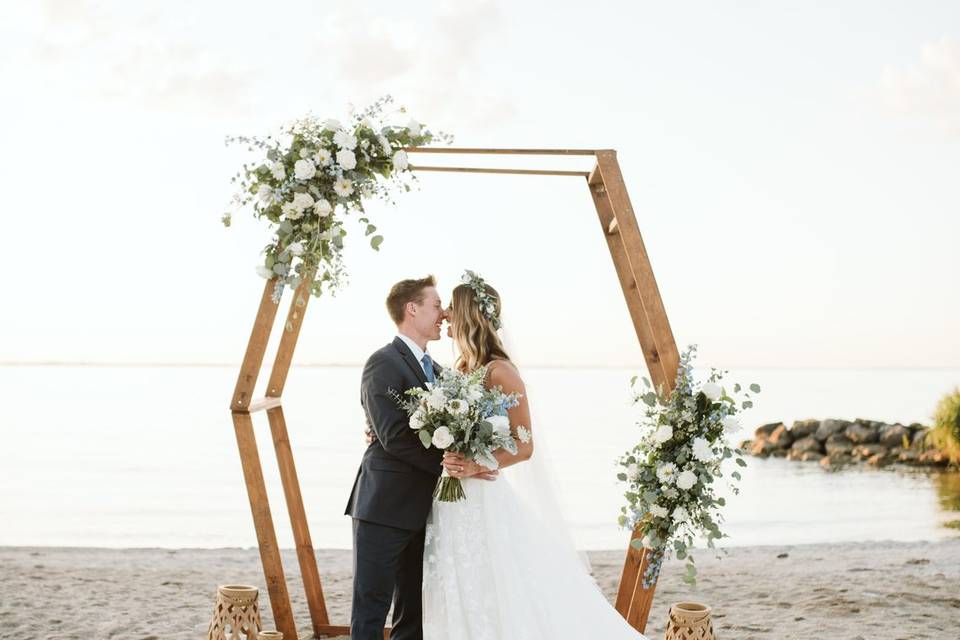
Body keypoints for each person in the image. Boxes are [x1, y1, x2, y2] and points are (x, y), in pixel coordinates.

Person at [422, 270, 649, 639]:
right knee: (460, 581)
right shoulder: (463, 369)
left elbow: (524, 445)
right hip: (454, 500)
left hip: (482, 497)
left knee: (496, 582)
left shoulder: (501, 371)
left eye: (451, 307)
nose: (445, 314)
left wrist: (476, 463)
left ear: (467, 315)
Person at [344, 275, 497, 640]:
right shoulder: (382, 363)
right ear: (411, 309)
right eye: (435, 305)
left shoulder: (441, 373)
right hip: (384, 507)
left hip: (426, 512)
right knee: (371, 605)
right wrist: (453, 468)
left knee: (414, 611)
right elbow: (393, 437)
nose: (443, 314)